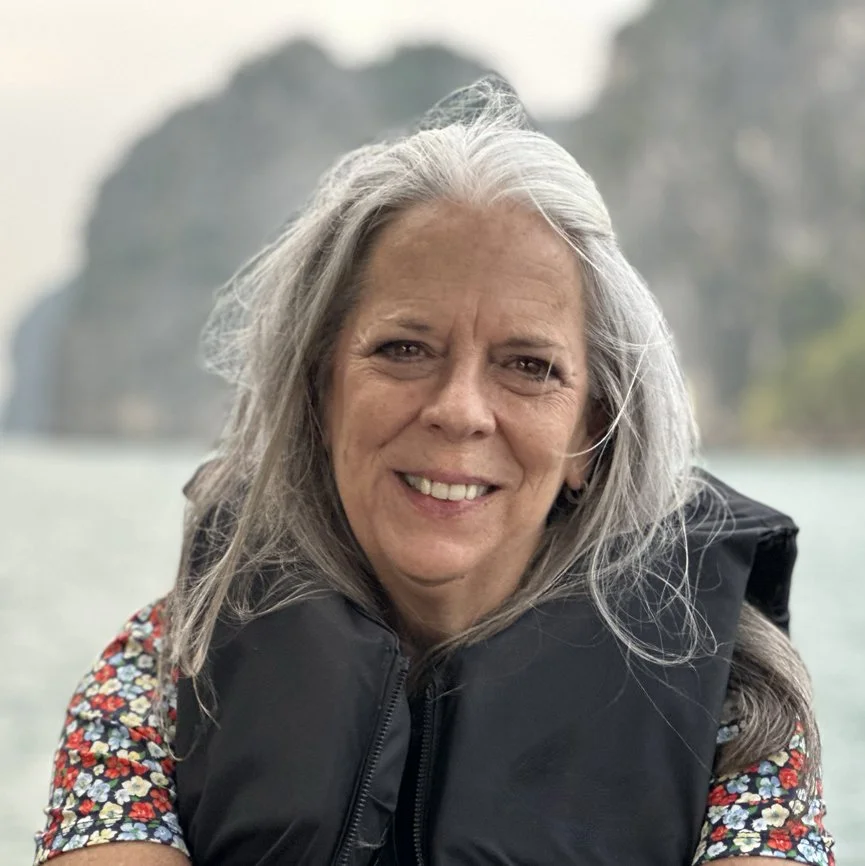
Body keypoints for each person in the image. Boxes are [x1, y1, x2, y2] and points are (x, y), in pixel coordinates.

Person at [34, 77, 834, 865]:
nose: (459, 410)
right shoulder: (165, 667)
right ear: (321, 395)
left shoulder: (738, 701)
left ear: (590, 434)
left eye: (528, 366)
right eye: (403, 349)